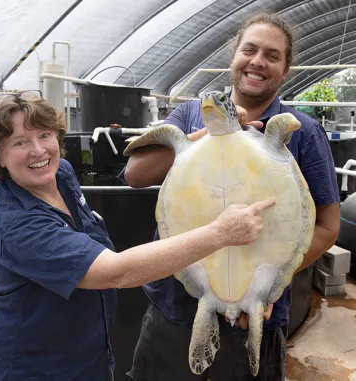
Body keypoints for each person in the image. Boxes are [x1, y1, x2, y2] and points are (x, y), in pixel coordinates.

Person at [0, 90, 276, 381]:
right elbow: (117, 271)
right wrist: (221, 233)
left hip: (87, 351)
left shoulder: (59, 174)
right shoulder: (16, 225)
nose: (38, 151)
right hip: (35, 367)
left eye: (44, 135)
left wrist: (214, 132)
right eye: (20, 142)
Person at [124, 11, 341, 381]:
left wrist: (267, 286)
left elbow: (327, 226)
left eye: (272, 56)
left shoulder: (300, 130)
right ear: (233, 57)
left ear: (286, 70)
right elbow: (135, 175)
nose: (257, 62)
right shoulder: (193, 114)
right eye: (250, 50)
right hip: (172, 304)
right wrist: (214, 131)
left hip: (257, 306)